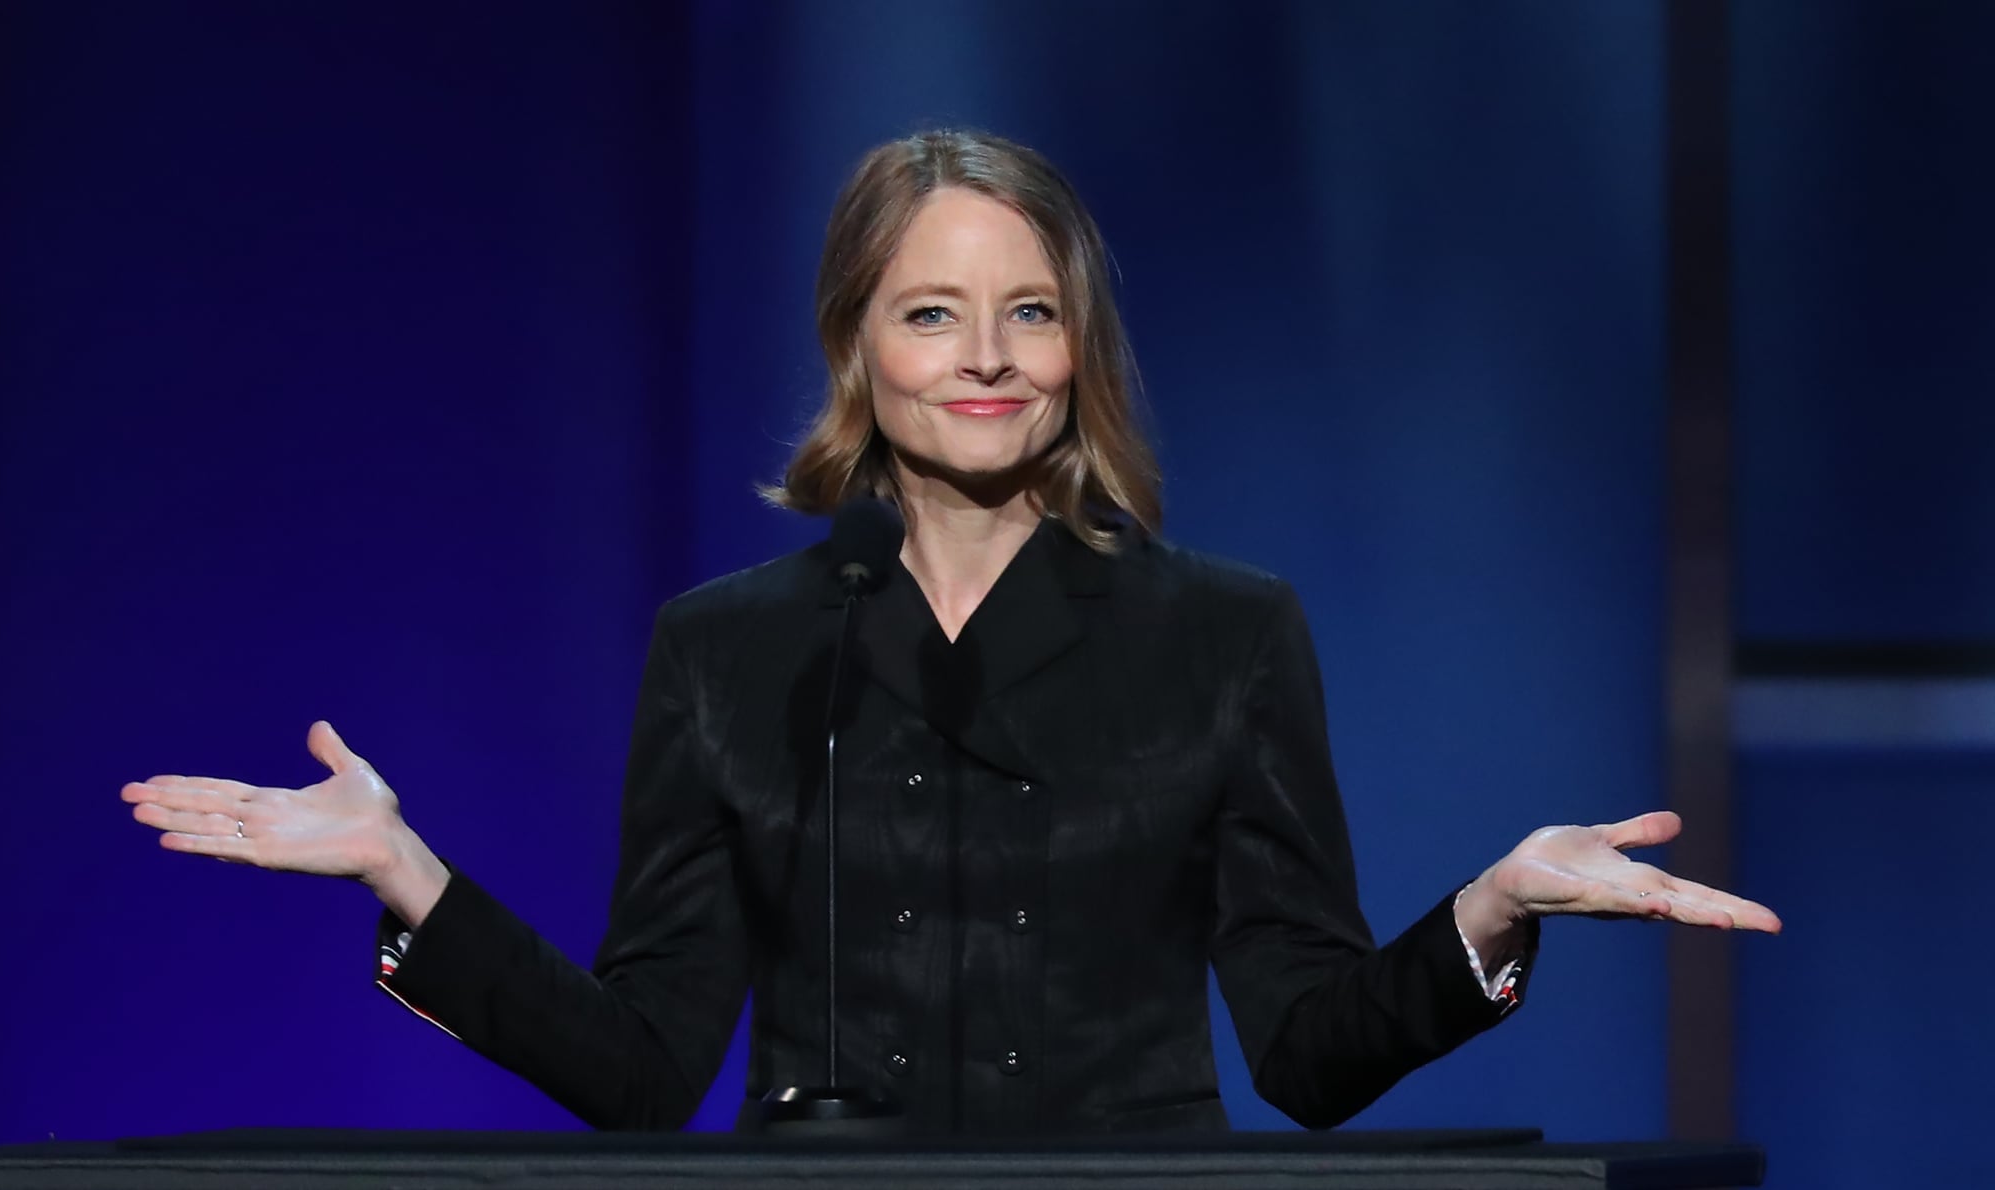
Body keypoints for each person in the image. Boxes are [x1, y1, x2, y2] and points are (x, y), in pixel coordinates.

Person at [121, 129, 1779, 1136]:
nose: (985, 356)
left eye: (1029, 311)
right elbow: (640, 1068)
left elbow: (1311, 1054)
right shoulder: (732, 649)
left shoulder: (1224, 635)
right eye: (932, 311)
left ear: (1078, 348)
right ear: (860, 346)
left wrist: (1489, 905)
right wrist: (408, 875)